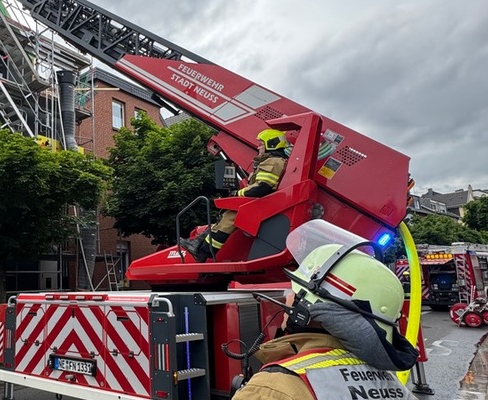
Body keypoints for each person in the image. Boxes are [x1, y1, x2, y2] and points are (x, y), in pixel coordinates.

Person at [233, 222, 419, 399]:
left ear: (308, 309)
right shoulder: (391, 384)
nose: (287, 298)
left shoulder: (271, 388)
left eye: (295, 291)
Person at [179, 128, 289, 262]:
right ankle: (197, 244)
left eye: (261, 143)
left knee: (229, 218)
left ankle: (203, 252)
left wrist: (238, 193)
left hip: (262, 204)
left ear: (271, 144)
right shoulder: (273, 161)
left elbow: (262, 187)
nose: (259, 146)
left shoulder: (273, 161)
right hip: (264, 203)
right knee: (225, 217)